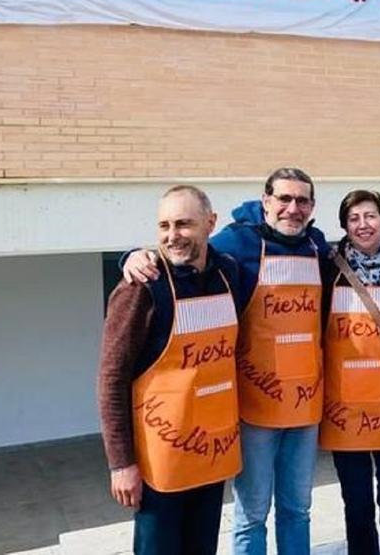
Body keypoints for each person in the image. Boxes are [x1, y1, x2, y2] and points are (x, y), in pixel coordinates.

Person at [124, 168, 330, 555]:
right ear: (266, 202)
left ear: (312, 207)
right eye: (283, 199)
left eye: (302, 201)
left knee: (298, 510)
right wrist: (134, 256)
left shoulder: (316, 244)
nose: (292, 208)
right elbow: (184, 251)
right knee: (251, 514)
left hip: (305, 407)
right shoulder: (237, 242)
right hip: (254, 410)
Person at [98, 185, 245, 555]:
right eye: (163, 226)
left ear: (210, 223)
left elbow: (264, 220)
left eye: (183, 224)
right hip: (160, 465)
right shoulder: (141, 287)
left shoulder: (228, 274)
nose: (171, 235)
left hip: (211, 456)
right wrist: (121, 464)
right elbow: (111, 379)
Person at [319, 190, 380, 555]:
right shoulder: (327, 266)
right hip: (346, 409)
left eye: (371, 216)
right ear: (344, 226)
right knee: (357, 506)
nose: (363, 225)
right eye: (354, 218)